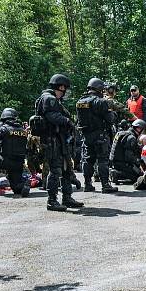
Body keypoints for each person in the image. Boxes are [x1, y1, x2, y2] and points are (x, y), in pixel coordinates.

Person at [35, 74, 84, 212]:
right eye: (65, 89)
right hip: (52, 141)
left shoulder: (52, 99)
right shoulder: (48, 99)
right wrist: (67, 121)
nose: (65, 92)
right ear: (60, 87)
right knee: (55, 170)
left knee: (67, 169)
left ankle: (67, 198)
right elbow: (52, 117)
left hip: (59, 140)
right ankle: (52, 201)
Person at [77, 78, 118, 194]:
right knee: (102, 160)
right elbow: (109, 119)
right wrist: (114, 114)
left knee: (88, 159)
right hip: (99, 134)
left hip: (86, 135)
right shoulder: (100, 101)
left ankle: (87, 184)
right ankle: (105, 185)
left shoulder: (80, 101)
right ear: (99, 89)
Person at [110, 118, 146, 184]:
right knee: (139, 176)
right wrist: (139, 163)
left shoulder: (122, 133)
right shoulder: (131, 138)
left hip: (114, 161)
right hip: (121, 163)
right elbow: (129, 157)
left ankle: (116, 171)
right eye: (143, 130)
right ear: (139, 129)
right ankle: (117, 174)